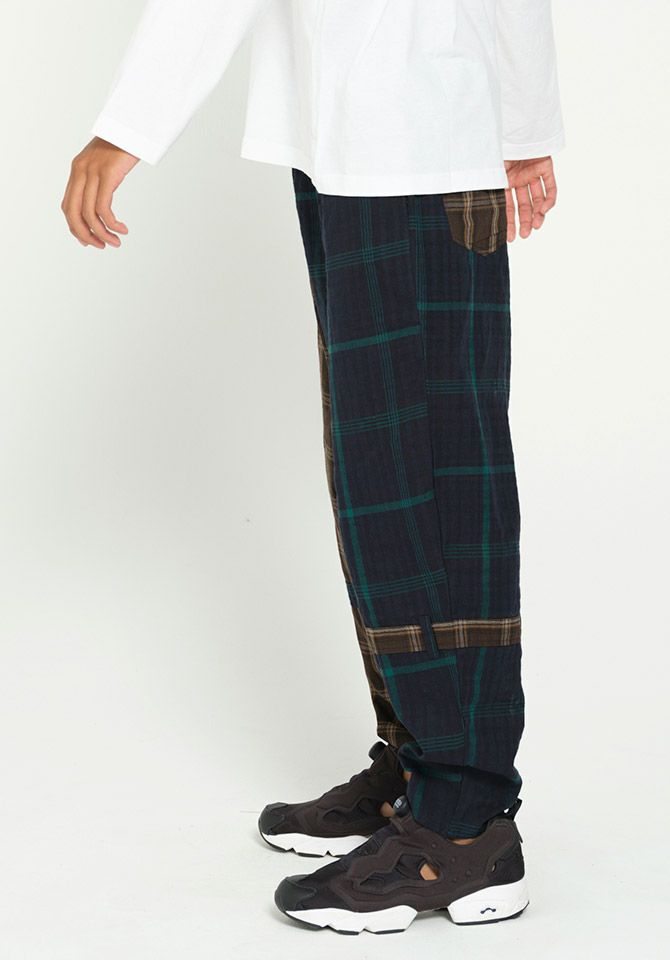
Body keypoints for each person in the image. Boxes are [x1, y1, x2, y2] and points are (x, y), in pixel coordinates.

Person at [61, 0, 564, 935]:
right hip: (351, 138)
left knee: (428, 481)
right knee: (378, 473)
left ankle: (465, 821)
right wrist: (526, 128)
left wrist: (128, 125)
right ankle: (422, 762)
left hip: (419, 143)